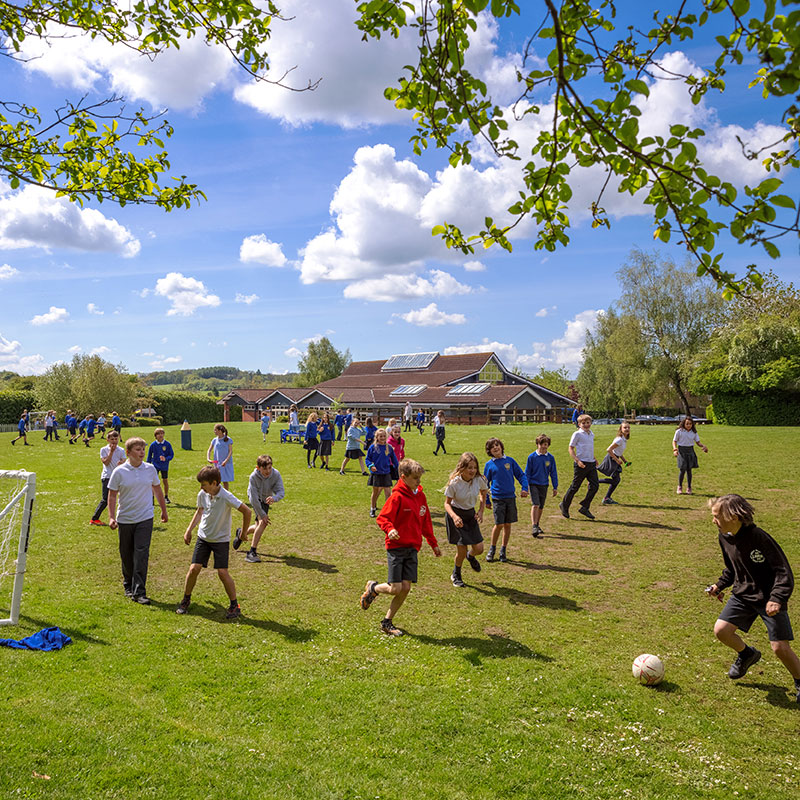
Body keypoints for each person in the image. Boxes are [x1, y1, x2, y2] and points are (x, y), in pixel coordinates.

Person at [706, 494, 800, 704]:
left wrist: (776, 598)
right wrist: (719, 585)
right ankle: (747, 654)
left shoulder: (759, 537)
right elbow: (731, 569)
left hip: (769, 599)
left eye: (716, 516)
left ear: (734, 517)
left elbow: (783, 571)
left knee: (780, 648)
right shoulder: (724, 536)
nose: (713, 521)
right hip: (743, 594)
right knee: (721, 631)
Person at [359, 458, 441, 636]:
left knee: (405, 588)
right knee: (396, 588)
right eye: (415, 478)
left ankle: (387, 622)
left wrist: (433, 544)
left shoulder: (420, 496)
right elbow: (382, 518)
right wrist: (390, 530)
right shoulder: (396, 497)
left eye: (420, 478)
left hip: (413, 548)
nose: (419, 482)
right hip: (396, 548)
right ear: (403, 477)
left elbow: (426, 521)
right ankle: (373, 588)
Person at [176, 465, 252, 619]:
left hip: (220, 540)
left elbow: (247, 511)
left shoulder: (226, 496)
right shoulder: (203, 494)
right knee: (193, 569)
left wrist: (243, 533)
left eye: (204, 484)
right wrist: (189, 530)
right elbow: (199, 511)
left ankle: (234, 605)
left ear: (215, 482)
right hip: (203, 537)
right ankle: (186, 600)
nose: (201, 487)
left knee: (222, 573)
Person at [107, 436, 168, 604]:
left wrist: (164, 510)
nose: (142, 452)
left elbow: (157, 490)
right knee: (127, 554)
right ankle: (128, 584)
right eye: (138, 449)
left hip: (145, 518)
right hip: (125, 518)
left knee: (141, 554)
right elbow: (111, 496)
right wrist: (111, 517)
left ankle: (139, 591)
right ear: (128, 452)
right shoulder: (119, 472)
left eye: (143, 449)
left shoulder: (150, 469)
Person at [445, 452, 487, 588]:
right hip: (456, 516)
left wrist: (480, 510)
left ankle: (471, 556)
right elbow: (446, 504)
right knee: (461, 550)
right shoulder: (454, 483)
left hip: (470, 515)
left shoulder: (478, 479)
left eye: (474, 467)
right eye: (469, 467)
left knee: (479, 548)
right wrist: (454, 517)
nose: (472, 470)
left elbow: (483, 492)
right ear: (462, 468)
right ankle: (456, 574)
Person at [483, 438, 528, 562]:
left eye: (497, 445)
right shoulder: (489, 465)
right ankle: (492, 549)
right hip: (497, 498)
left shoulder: (510, 461)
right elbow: (485, 484)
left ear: (501, 446)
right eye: (492, 447)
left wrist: (525, 488)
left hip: (510, 498)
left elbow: (521, 475)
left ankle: (503, 550)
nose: (495, 448)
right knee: (499, 524)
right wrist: (486, 500)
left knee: (508, 524)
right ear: (489, 451)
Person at [240, 454, 285, 563]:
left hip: (265, 499)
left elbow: (281, 492)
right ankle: (251, 552)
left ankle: (241, 533)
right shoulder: (253, 477)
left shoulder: (275, 474)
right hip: (255, 499)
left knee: (258, 527)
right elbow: (254, 499)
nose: (267, 471)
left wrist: (274, 498)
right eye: (264, 468)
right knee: (263, 523)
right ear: (258, 468)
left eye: (269, 468)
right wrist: (263, 514)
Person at [560, 414, 599, 520]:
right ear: (579, 424)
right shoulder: (577, 434)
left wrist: (594, 458)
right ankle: (564, 505)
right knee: (575, 487)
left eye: (588, 423)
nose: (586, 425)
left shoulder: (591, 434)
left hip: (591, 463)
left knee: (595, 486)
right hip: (581, 464)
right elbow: (570, 449)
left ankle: (585, 507)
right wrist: (577, 461)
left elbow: (588, 448)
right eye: (583, 423)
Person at [525, 433, 559, 537]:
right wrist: (525, 486)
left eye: (546, 444)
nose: (544, 446)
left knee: (541, 506)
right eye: (542, 444)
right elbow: (527, 473)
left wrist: (555, 486)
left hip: (544, 484)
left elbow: (553, 472)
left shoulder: (550, 458)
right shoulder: (532, 457)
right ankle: (534, 525)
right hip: (533, 484)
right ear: (537, 444)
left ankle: (537, 524)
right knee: (535, 504)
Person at [91, 430, 126, 525]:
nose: (114, 441)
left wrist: (122, 462)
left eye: (116, 439)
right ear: (107, 440)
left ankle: (123, 519)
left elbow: (124, 460)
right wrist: (111, 451)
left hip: (119, 477)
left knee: (123, 498)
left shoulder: (121, 450)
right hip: (107, 476)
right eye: (112, 439)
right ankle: (94, 519)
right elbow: (106, 462)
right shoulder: (103, 450)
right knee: (106, 499)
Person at [366, 428, 399, 518]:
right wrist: (370, 466)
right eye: (380, 436)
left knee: (388, 492)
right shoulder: (373, 447)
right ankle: (372, 508)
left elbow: (394, 460)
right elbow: (367, 459)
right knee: (375, 492)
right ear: (377, 437)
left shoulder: (389, 448)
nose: (382, 438)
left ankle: (388, 510)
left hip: (386, 472)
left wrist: (399, 468)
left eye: (384, 436)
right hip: (376, 473)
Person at [673, 415, 708, 495]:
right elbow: (674, 441)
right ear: (684, 424)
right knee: (682, 469)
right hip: (682, 451)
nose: (689, 425)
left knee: (689, 470)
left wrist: (703, 446)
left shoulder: (694, 432)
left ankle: (689, 487)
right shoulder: (679, 431)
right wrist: (675, 449)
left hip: (690, 451)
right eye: (687, 424)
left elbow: (698, 442)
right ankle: (680, 487)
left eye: (690, 424)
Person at [597, 422, 631, 505]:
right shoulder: (619, 439)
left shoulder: (624, 439)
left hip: (615, 458)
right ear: (621, 429)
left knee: (616, 480)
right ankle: (595, 482)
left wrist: (624, 460)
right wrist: (616, 460)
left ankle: (607, 498)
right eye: (625, 427)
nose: (627, 429)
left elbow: (619, 451)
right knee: (616, 480)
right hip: (611, 459)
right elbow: (609, 450)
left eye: (628, 427)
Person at [147, 428, 175, 503]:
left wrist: (166, 458)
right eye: (159, 434)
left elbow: (171, 455)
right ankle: (151, 498)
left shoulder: (167, 444)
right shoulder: (153, 445)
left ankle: (166, 497)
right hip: (155, 466)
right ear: (155, 436)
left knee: (165, 481)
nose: (161, 435)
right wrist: (148, 465)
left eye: (162, 433)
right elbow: (149, 456)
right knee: (153, 482)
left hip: (164, 466)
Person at [207, 424, 234, 489]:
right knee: (216, 480)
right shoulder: (214, 440)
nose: (214, 431)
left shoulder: (228, 439)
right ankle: (215, 493)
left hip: (225, 464)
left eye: (215, 430)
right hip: (217, 463)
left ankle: (226, 495)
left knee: (225, 480)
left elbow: (230, 451)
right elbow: (209, 450)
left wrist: (226, 461)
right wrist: (208, 458)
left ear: (220, 431)